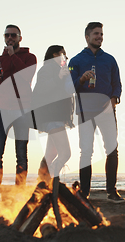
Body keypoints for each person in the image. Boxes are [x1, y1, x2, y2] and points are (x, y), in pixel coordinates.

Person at [68, 22, 125, 203]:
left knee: (112, 151)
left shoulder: (110, 59)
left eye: (101, 34)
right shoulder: (75, 61)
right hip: (85, 111)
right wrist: (81, 79)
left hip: (107, 112)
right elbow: (69, 88)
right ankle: (85, 193)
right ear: (87, 37)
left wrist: (114, 99)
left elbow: (117, 84)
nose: (99, 37)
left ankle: (111, 192)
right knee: (86, 152)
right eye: (95, 34)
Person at [0, 24, 36, 202]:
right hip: (1, 110)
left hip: (22, 110)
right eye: (7, 35)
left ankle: (19, 191)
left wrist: (13, 56)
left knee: (21, 153)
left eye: (13, 35)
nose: (10, 38)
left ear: (20, 38)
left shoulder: (30, 57)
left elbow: (25, 75)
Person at [33, 45, 74, 183]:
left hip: (57, 117)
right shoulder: (47, 69)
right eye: (63, 56)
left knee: (52, 153)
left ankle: (43, 180)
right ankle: (50, 179)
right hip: (52, 116)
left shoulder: (61, 71)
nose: (65, 59)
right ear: (54, 55)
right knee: (65, 153)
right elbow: (41, 89)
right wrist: (58, 77)